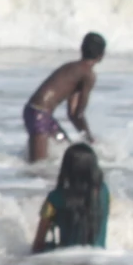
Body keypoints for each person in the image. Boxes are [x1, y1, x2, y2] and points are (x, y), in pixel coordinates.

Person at [23, 33, 105, 162]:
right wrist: (89, 138)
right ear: (101, 56)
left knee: (66, 152)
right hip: (39, 114)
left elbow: (72, 114)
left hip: (39, 113)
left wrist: (86, 137)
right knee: (38, 168)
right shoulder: (88, 75)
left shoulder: (72, 67)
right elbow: (78, 114)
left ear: (81, 49)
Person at [32, 141, 110, 252]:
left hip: (66, 260)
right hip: (98, 259)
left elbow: (38, 244)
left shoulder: (55, 198)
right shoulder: (104, 191)